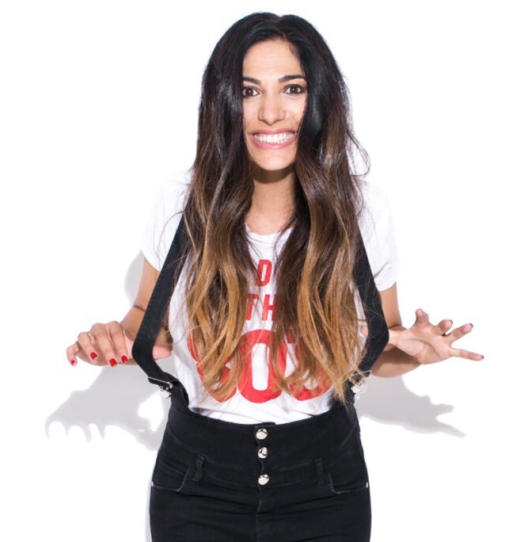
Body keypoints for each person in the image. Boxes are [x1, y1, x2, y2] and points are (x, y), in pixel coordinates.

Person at [66, 12, 482, 542]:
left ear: (318, 100)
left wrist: (415, 353)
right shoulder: (182, 202)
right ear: (223, 102)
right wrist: (113, 339)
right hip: (197, 481)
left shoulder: (361, 210)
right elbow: (150, 322)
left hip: (325, 482)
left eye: (292, 88)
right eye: (248, 91)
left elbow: (380, 350)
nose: (270, 112)